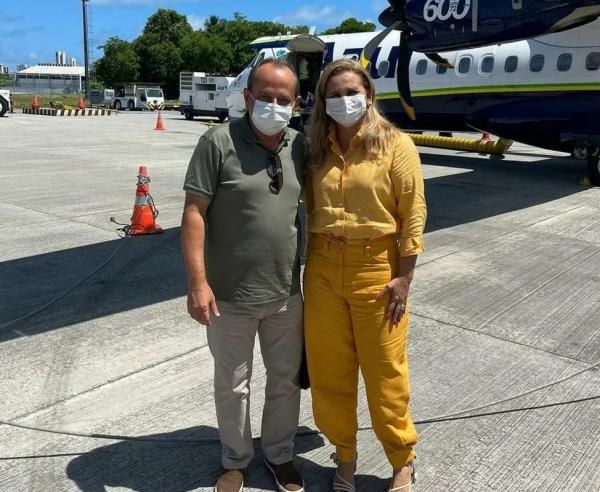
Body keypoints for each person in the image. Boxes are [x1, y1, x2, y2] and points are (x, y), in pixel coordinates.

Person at [181, 58, 306, 492]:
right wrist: (198, 283)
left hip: (287, 293)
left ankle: (280, 454)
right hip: (228, 295)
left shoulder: (298, 146)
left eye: (283, 99)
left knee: (285, 381)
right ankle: (235, 459)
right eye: (266, 97)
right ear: (248, 97)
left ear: (295, 103)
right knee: (233, 386)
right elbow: (194, 214)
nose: (274, 105)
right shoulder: (217, 143)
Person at [303, 59, 427, 492]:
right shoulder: (315, 147)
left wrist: (405, 277)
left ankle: (402, 460)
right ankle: (346, 456)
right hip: (322, 269)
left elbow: (413, 214)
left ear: (369, 95)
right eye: (334, 95)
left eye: (351, 92)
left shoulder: (395, 145)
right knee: (329, 372)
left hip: (377, 269)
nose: (344, 101)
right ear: (322, 102)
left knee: (385, 373)